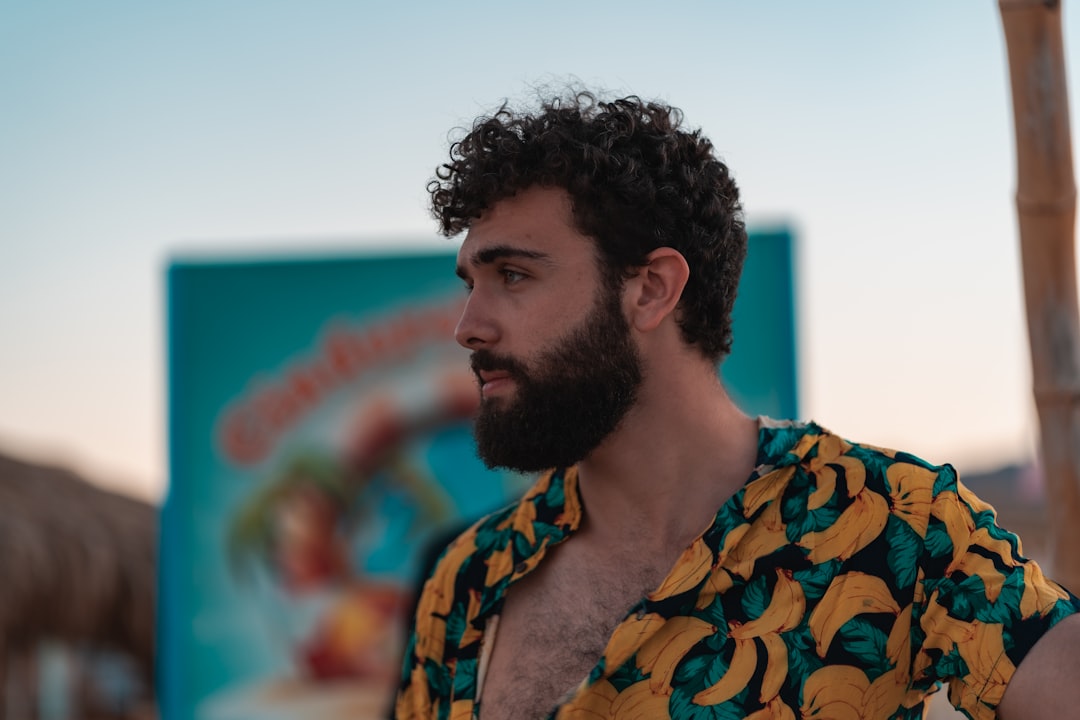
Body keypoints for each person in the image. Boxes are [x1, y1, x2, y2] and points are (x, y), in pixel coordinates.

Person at [393, 90, 1080, 720]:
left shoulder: (886, 520)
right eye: (471, 281)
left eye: (512, 275)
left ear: (651, 290)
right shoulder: (472, 575)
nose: (467, 326)